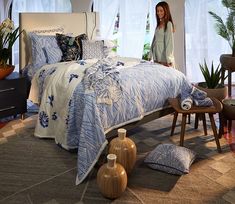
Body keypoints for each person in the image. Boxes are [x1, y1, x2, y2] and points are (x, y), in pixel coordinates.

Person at [149, 1, 175, 67]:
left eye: (161, 11)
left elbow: (169, 42)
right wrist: (150, 55)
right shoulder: (158, 25)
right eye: (157, 11)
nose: (159, 13)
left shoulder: (168, 24)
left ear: (166, 11)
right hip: (156, 58)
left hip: (164, 59)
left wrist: (169, 60)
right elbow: (154, 41)